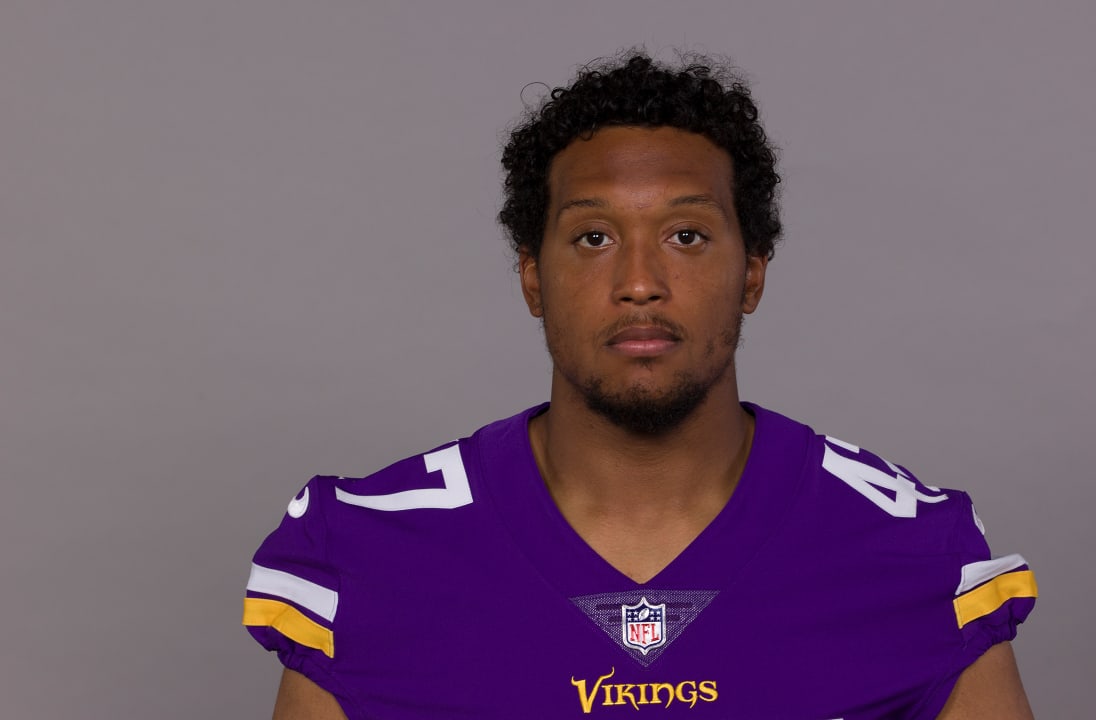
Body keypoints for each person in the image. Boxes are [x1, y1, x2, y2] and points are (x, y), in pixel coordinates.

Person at [243, 51, 1037, 719]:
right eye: (593, 237)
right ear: (532, 277)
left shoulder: (908, 554)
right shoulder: (370, 555)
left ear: (752, 271)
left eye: (686, 236)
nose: (640, 282)